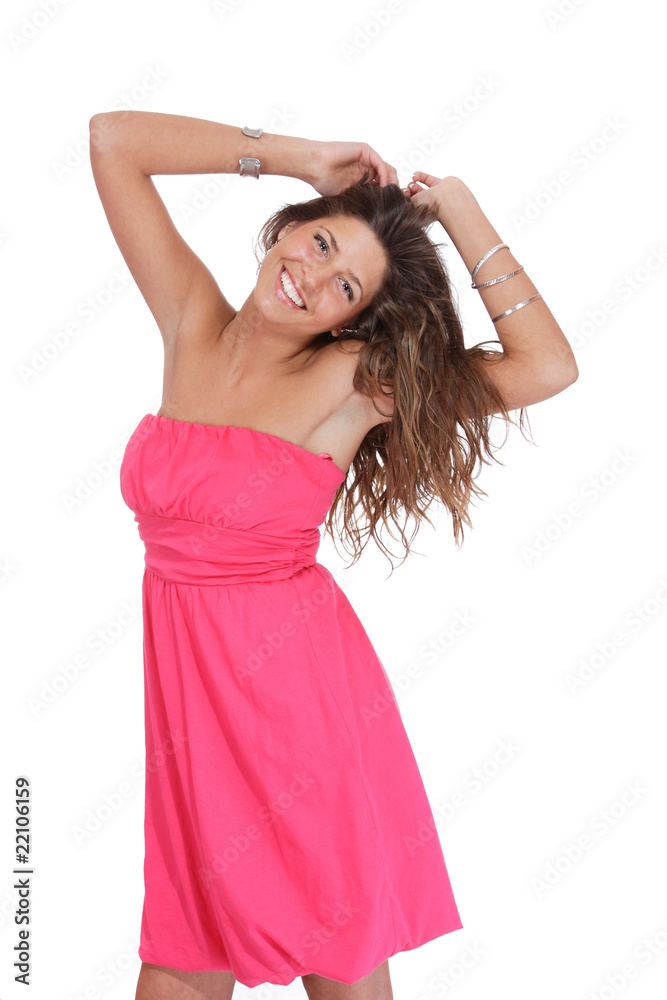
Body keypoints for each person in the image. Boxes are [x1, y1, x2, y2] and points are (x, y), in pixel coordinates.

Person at [89, 111, 578, 1000]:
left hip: (292, 707)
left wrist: (459, 210)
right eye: (318, 243)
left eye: (344, 285)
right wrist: (298, 158)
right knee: (185, 952)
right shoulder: (190, 319)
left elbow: (545, 368)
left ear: (356, 318)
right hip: (190, 714)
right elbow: (112, 141)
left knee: (335, 951)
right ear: (290, 225)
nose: (310, 277)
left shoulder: (356, 382)